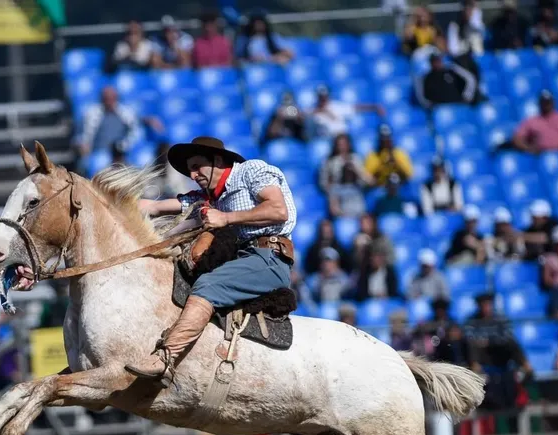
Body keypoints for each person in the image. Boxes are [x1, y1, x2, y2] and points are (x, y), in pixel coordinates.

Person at [129, 137, 296, 385]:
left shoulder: (251, 171)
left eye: (197, 166)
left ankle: (165, 360)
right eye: (190, 170)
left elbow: (278, 210)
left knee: (207, 285)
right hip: (243, 259)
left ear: (218, 160)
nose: (193, 175)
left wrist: (226, 218)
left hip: (269, 257)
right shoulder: (210, 198)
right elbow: (156, 206)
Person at [513, 90, 558, 154]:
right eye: (544, 102)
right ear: (539, 103)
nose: (546, 105)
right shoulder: (531, 121)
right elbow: (517, 139)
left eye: (548, 102)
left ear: (553, 103)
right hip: (541, 155)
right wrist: (529, 149)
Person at [311, 85, 385, 140]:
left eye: (324, 96)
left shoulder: (337, 106)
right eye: (321, 97)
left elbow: (356, 108)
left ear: (328, 96)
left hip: (341, 139)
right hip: (325, 141)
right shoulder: (313, 111)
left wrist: (374, 107)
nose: (323, 99)